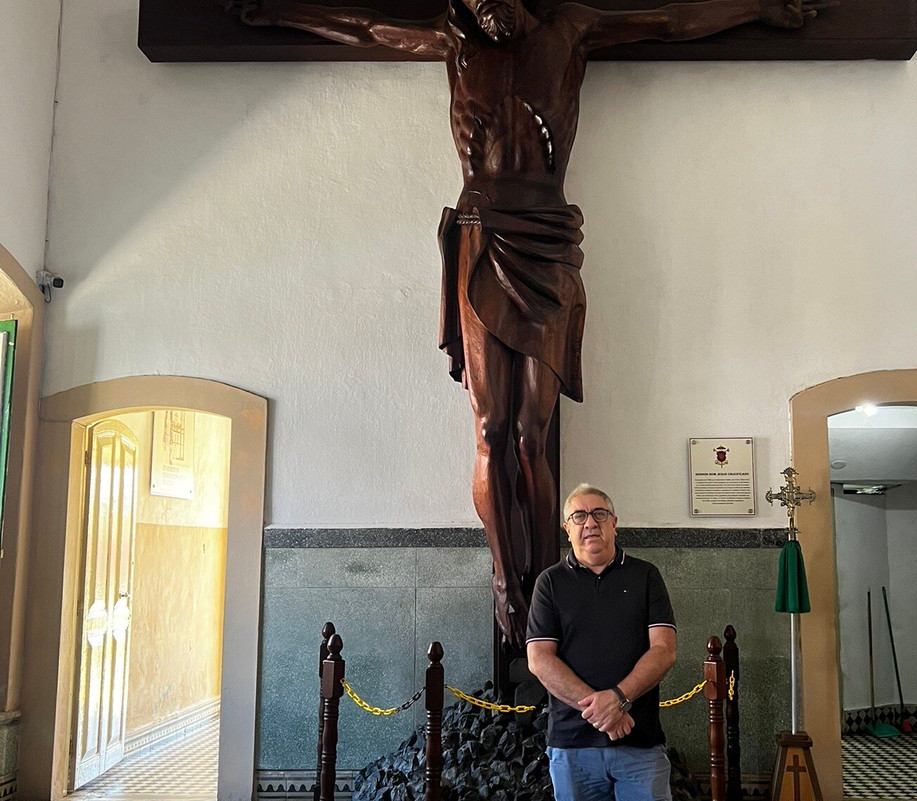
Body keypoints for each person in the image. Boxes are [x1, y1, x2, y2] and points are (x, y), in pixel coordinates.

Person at [234, 0, 831, 647]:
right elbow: (362, 26)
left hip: (546, 240)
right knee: (491, 426)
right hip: (479, 232)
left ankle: (548, 576)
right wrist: (275, 12)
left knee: (531, 432)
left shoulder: (572, 28)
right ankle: (501, 577)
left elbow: (669, 20)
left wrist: (764, 8)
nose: (495, 8)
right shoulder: (453, 38)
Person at [526, 483, 678, 801]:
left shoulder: (646, 576)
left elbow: (664, 650)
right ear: (567, 529)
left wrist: (620, 697)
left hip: (639, 744)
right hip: (572, 747)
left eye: (599, 514)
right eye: (579, 516)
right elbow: (539, 659)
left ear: (614, 523)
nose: (590, 522)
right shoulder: (549, 583)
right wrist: (605, 711)